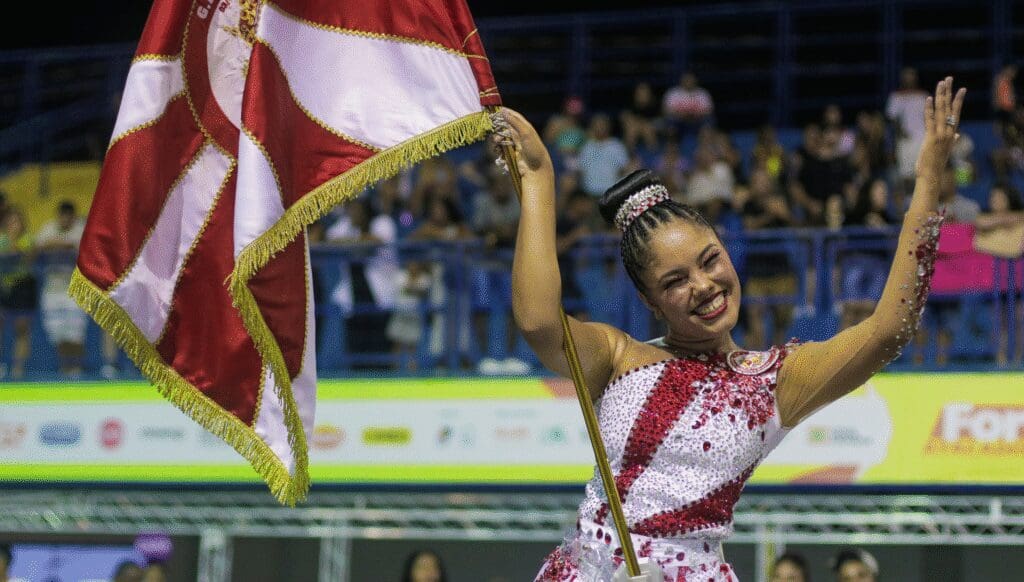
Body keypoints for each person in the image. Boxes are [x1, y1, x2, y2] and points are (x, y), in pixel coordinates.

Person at [495, 76, 964, 581]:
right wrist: (539, 180)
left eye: (709, 259)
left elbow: (890, 329)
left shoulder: (775, 380)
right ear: (648, 301)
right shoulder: (615, 356)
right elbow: (540, 320)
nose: (703, 285)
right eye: (675, 281)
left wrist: (927, 187)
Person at [35, 200, 87, 378]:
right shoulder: (49, 227)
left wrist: (61, 244)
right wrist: (62, 244)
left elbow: (83, 248)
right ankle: (65, 369)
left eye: (68, 216)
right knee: (58, 334)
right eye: (62, 216)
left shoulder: (81, 228)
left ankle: (76, 370)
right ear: (58, 216)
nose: (64, 219)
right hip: (52, 290)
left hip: (75, 290)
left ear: (73, 216)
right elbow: (37, 246)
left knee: (75, 333)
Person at [0, 209, 36, 380]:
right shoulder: (1, 240)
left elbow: (26, 256)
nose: (14, 226)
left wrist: (14, 242)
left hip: (22, 288)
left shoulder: (28, 240)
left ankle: (18, 368)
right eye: (10, 222)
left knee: (22, 328)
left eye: (17, 222)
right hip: (3, 287)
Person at [886, 67, 929, 210]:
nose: (909, 78)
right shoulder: (896, 97)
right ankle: (905, 207)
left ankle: (920, 204)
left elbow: (929, 117)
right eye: (906, 75)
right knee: (905, 177)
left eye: (911, 75)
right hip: (905, 143)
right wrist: (901, 133)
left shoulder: (923, 96)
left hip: (922, 141)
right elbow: (891, 118)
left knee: (921, 175)